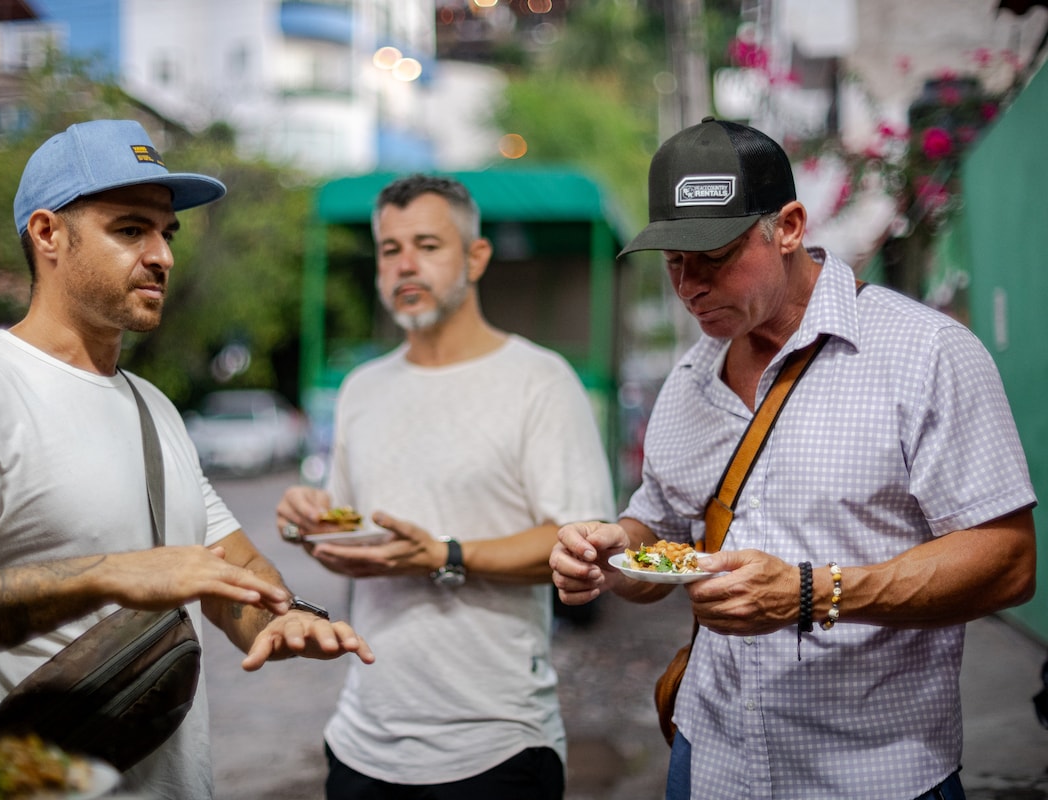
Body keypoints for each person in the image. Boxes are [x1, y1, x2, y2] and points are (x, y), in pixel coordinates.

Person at [0, 119, 373, 799]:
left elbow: (228, 567)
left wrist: (280, 619)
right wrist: (113, 575)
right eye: (131, 230)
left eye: (167, 233)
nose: (163, 256)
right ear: (47, 235)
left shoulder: (153, 406)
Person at [550, 117, 1037, 800]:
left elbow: (1008, 562)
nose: (688, 286)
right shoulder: (687, 382)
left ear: (788, 227)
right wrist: (610, 552)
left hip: (875, 773)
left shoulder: (924, 354)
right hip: (710, 757)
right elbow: (657, 538)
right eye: (673, 262)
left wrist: (812, 594)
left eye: (711, 256)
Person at [275, 173, 615, 799]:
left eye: (428, 246)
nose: (405, 265)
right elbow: (359, 533)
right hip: (362, 739)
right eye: (389, 249)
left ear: (476, 256)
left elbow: (585, 545)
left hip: (495, 743)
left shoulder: (540, 381)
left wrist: (446, 555)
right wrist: (309, 521)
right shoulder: (361, 389)